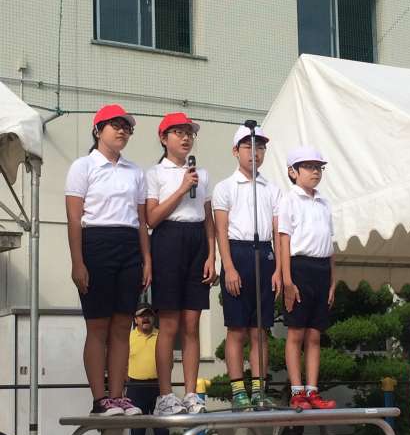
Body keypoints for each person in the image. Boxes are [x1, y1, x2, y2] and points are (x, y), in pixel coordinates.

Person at [65, 104, 152, 416]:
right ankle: (99, 398)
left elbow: (141, 220)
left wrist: (146, 259)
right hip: (96, 244)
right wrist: (78, 262)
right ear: (98, 130)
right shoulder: (83, 167)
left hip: (129, 245)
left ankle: (118, 396)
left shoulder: (135, 171)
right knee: (98, 325)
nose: (122, 131)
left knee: (122, 324)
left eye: (127, 127)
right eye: (115, 125)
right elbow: (74, 219)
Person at [146, 112, 216, 416]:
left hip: (197, 241)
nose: (186, 138)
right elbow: (151, 218)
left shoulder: (203, 174)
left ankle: (191, 394)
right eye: (178, 132)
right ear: (164, 138)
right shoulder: (155, 173)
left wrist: (212, 255)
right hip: (168, 239)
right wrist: (181, 188)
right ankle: (165, 395)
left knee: (192, 323)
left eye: (189, 133)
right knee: (169, 324)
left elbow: (208, 217)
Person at [212, 125, 282, 411]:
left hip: (265, 253)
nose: (255, 152)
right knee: (237, 328)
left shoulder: (272, 188)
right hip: (237, 252)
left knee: (260, 330)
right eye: (249, 146)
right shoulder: (225, 187)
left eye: (260, 147)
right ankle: (238, 390)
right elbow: (221, 230)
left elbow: (277, 231)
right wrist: (228, 266)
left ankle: (259, 389)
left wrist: (278, 269)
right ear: (235, 151)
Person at [278, 146, 336, 410]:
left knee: (314, 334)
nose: (315, 172)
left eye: (318, 167)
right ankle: (297, 391)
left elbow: (330, 243)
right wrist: (287, 280)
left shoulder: (324, 202)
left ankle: (313, 391)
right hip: (299, 267)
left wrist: (332, 280)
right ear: (293, 172)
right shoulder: (289, 200)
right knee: (296, 332)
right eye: (309, 167)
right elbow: (283, 241)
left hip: (322, 269)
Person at [126, 303, 169, 435]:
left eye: (149, 315)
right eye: (141, 315)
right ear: (135, 319)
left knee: (162, 429)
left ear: (154, 318)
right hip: (135, 387)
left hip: (158, 386)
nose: (145, 318)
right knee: (137, 430)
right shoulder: (128, 337)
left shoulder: (162, 336)